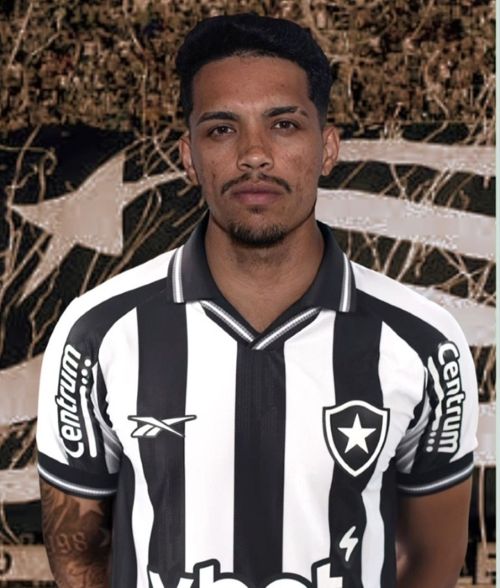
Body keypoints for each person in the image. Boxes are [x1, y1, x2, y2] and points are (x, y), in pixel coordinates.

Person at [36, 13, 478, 588]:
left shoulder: (423, 341)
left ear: (327, 148)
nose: (254, 154)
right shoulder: (98, 332)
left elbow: (430, 556)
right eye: (222, 129)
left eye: (284, 125)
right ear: (188, 156)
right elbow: (78, 552)